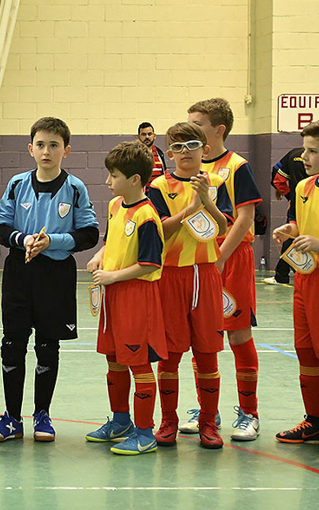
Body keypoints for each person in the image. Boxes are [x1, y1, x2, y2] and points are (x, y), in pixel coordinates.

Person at [0, 117, 99, 443]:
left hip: (55, 275)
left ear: (66, 150)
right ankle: (11, 417)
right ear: (30, 148)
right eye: (40, 144)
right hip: (19, 272)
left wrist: (53, 242)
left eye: (54, 145)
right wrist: (22, 240)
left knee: (48, 346)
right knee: (12, 344)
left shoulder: (75, 188)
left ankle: (42, 415)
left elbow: (89, 233)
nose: (46, 151)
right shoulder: (17, 184)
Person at [146, 122, 229, 449]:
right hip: (171, 275)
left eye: (191, 145)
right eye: (178, 147)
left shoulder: (216, 181)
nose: (185, 152)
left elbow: (221, 226)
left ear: (204, 149)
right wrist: (191, 208)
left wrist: (205, 200)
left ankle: (209, 423)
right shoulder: (159, 186)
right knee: (170, 355)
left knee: (207, 353)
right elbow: (160, 231)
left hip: (205, 273)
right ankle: (168, 421)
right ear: (169, 153)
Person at [186, 98, 263, 441]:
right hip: (198, 260)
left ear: (218, 130)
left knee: (238, 334)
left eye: (198, 124)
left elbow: (246, 218)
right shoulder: (190, 168)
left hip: (232, 259)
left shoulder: (237, 165)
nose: (191, 129)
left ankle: (249, 413)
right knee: (201, 338)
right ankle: (207, 411)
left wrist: (219, 257)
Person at [85, 141, 167, 455]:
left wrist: (113, 276)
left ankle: (145, 434)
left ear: (135, 180)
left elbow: (150, 264)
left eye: (114, 175)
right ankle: (121, 422)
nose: (108, 181)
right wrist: (100, 255)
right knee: (114, 359)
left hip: (136, 296)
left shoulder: (148, 216)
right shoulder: (116, 205)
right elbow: (111, 239)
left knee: (139, 364)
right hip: (112, 294)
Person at [272, 118, 319, 453]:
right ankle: (316, 419)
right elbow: (303, 222)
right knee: (306, 352)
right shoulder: (304, 187)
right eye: (305, 150)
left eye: (313, 151)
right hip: (304, 280)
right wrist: (290, 230)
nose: (304, 157)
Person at [268, 147, 307, 284]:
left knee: (291, 237)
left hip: (297, 203)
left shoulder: (294, 154)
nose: (306, 157)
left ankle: (283, 274)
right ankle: (285, 273)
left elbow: (277, 178)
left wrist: (290, 196)